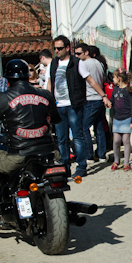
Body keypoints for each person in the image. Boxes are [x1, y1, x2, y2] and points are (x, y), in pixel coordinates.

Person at [0, 58, 60, 219]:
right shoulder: (45, 94)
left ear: (7, 78)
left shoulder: (2, 98)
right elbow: (56, 119)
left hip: (18, 156)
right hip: (48, 154)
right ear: (27, 75)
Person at [47, 36, 92, 178]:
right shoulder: (53, 64)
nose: (56, 51)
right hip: (58, 105)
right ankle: (65, 166)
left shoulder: (76, 63)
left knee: (77, 136)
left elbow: (89, 79)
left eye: (59, 48)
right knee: (61, 138)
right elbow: (49, 83)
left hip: (73, 104)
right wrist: (47, 101)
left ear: (67, 48)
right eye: (54, 49)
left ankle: (81, 165)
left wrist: (103, 95)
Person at [79, 45, 110, 164]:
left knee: (84, 127)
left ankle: (89, 154)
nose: (77, 56)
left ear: (86, 52)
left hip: (90, 97)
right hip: (100, 98)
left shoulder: (85, 64)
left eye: (79, 53)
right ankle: (101, 154)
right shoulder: (99, 63)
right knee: (99, 127)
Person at [108, 70, 132, 171]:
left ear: (118, 78)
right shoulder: (115, 89)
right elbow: (112, 100)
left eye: (114, 77)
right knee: (116, 140)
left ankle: (126, 162)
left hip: (127, 119)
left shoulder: (128, 91)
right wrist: (109, 103)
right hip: (117, 118)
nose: (113, 79)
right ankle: (116, 160)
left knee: (126, 141)